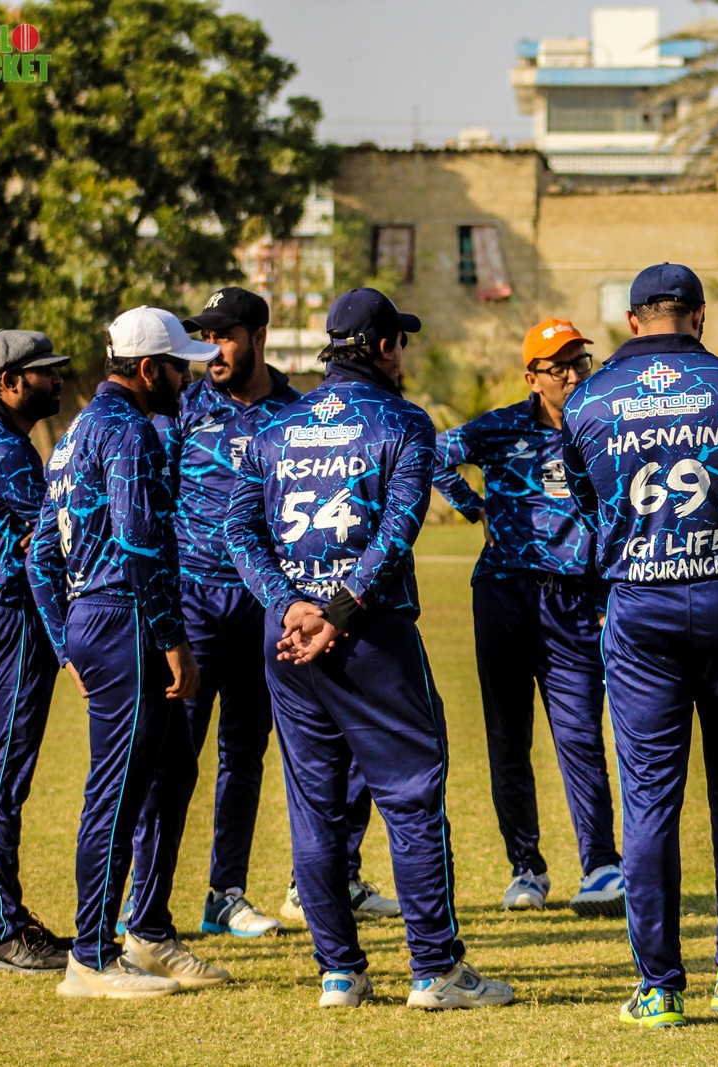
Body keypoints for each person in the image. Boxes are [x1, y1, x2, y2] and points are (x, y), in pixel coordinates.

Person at [225, 288, 513, 1010]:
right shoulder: (403, 421)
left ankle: (339, 973)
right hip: (369, 636)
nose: (403, 354)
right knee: (412, 796)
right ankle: (435, 970)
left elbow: (237, 530)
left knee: (314, 806)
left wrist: (289, 605)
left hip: (288, 641)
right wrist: (338, 610)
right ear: (384, 347)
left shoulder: (276, 425)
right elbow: (400, 526)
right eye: (400, 342)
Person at [561, 263, 718, 1028]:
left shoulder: (588, 397)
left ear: (633, 320)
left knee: (650, 798)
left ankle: (659, 986)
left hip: (640, 603)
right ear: (698, 314)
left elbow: (589, 501)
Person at [157, 287, 396, 938]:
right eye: (205, 338)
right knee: (176, 758)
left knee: (245, 753)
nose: (213, 350)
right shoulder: (185, 406)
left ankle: (225, 894)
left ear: (258, 336)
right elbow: (154, 501)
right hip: (194, 604)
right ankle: (147, 909)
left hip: (267, 607)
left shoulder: (295, 412)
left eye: (224, 336)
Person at [27, 307, 226, 998]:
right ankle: (91, 956)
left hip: (98, 621)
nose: (187, 378)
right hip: (126, 622)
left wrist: (66, 644)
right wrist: (173, 640)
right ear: (147, 370)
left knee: (170, 772)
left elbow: (41, 557)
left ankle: (147, 930)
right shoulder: (131, 432)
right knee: (115, 792)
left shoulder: (76, 432)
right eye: (178, 367)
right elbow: (142, 545)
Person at [433, 317, 623, 916]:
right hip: (504, 594)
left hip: (575, 600)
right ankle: (526, 869)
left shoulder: (604, 426)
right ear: (532, 377)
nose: (571, 375)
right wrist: (474, 508)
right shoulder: (500, 427)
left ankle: (601, 866)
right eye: (557, 367)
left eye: (579, 363)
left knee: (581, 736)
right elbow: (432, 454)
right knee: (508, 737)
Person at [0, 331, 72, 974]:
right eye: (43, 372)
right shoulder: (5, 454)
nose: (56, 380)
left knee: (8, 773)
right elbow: (61, 539)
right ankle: (0, 930)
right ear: (8, 383)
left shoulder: (0, 443)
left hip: (2, 620)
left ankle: (7, 919)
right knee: (5, 775)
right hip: (11, 622)